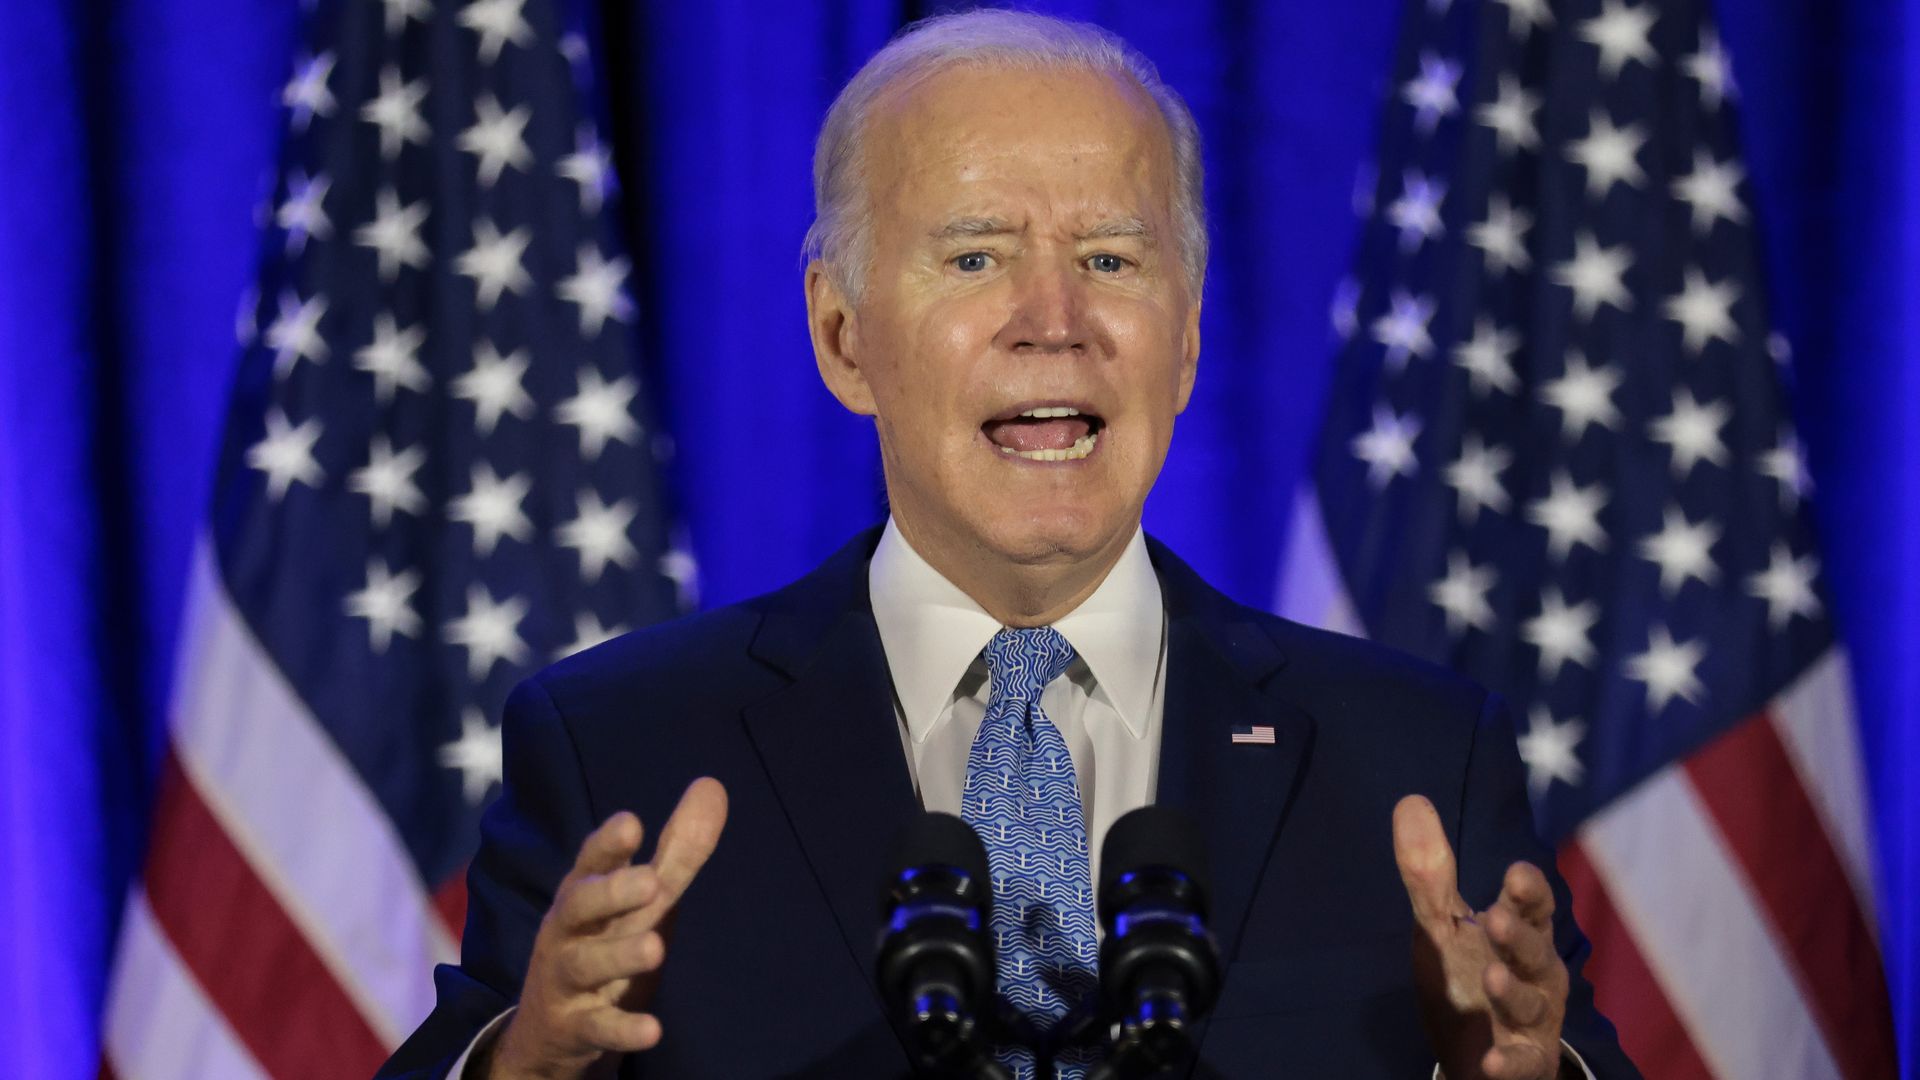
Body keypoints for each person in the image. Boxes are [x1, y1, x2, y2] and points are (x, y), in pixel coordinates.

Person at [379, 10, 1639, 1079]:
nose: (1056, 320)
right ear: (841, 337)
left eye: (1109, 257)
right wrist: (526, 1064)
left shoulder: (1413, 761)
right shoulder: (625, 749)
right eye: (976, 256)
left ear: (1188, 340)